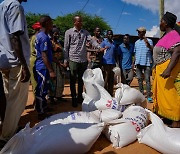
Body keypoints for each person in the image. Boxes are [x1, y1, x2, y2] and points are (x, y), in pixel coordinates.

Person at [0, 0, 30, 148]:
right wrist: (24, 65)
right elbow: (15, 37)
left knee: (7, 97)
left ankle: (6, 128)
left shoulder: (1, 6)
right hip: (16, 61)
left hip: (4, 60)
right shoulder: (15, 6)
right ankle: (6, 137)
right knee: (16, 101)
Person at [152, 12, 180, 128]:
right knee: (163, 95)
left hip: (168, 71)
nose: (160, 23)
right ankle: (168, 117)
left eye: (161, 21)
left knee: (171, 95)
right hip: (160, 69)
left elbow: (177, 51)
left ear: (166, 23)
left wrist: (168, 69)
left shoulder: (174, 35)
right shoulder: (165, 36)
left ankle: (176, 121)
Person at [64, 15, 91, 107]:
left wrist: (99, 47)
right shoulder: (69, 32)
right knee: (72, 80)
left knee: (81, 80)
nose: (80, 23)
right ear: (74, 22)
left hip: (83, 60)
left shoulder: (85, 32)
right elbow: (66, 47)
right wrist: (65, 59)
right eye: (79, 21)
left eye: (81, 21)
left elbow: (92, 41)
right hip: (73, 59)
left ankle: (80, 97)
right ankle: (74, 98)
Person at [34, 15, 55, 118]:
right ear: (46, 23)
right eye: (51, 22)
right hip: (42, 67)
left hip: (43, 66)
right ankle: (40, 112)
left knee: (44, 88)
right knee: (41, 90)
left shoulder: (41, 35)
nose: (52, 24)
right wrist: (51, 70)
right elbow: (44, 55)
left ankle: (44, 107)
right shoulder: (44, 37)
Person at [134, 27, 153, 102]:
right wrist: (134, 63)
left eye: (140, 32)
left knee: (147, 79)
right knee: (139, 79)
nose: (138, 34)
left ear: (144, 33)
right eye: (138, 32)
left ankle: (148, 95)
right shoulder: (136, 42)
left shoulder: (149, 41)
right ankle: (141, 94)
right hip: (138, 63)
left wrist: (146, 41)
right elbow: (135, 53)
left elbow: (151, 49)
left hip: (147, 63)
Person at [48, 27, 66, 103]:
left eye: (58, 33)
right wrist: (59, 63)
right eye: (56, 34)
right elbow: (50, 55)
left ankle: (58, 96)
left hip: (60, 63)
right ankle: (51, 97)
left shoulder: (59, 42)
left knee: (60, 80)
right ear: (52, 34)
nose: (57, 35)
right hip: (54, 63)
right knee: (54, 81)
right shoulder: (49, 42)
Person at [100, 30, 117, 96]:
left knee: (111, 79)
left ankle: (110, 94)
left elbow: (115, 54)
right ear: (106, 35)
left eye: (111, 34)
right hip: (105, 63)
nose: (110, 35)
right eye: (109, 34)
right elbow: (100, 51)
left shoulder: (114, 43)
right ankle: (104, 94)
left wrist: (115, 63)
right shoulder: (104, 42)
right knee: (106, 79)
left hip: (112, 63)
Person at [30, 22, 41, 103]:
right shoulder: (36, 38)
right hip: (36, 60)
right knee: (36, 83)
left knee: (36, 82)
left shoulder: (33, 37)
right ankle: (37, 103)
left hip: (33, 60)